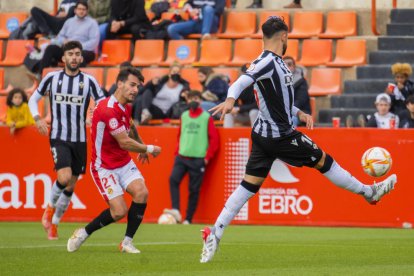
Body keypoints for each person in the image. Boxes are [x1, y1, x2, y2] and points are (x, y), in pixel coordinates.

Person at [199, 16, 398, 263]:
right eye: (288, 36)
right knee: (325, 162)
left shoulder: (278, 64)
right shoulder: (266, 62)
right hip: (281, 136)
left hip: (263, 134)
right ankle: (370, 192)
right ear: (283, 36)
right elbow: (241, 82)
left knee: (248, 186)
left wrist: (299, 112)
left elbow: (278, 99)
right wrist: (230, 99)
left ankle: (215, 233)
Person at [67, 68, 162, 253]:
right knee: (119, 211)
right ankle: (84, 232)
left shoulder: (124, 106)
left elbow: (131, 126)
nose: (135, 90)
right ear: (120, 83)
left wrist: (140, 146)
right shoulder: (107, 110)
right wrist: (149, 149)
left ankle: (126, 242)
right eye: (132, 85)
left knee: (142, 193)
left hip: (123, 162)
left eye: (138, 86)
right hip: (104, 167)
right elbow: (125, 142)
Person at [28, 40, 105, 240]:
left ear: (81, 57)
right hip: (59, 137)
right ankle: (48, 210)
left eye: (77, 54)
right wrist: (37, 118)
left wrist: (94, 114)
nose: (74, 57)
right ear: (63, 58)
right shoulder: (52, 78)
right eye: (70, 54)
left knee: (70, 185)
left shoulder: (89, 81)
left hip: (80, 140)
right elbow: (32, 99)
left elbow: (103, 104)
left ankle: (54, 223)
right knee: (63, 178)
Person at [164, 91, 219, 224]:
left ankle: (188, 219)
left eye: (196, 98)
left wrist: (207, 158)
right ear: (187, 100)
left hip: (198, 159)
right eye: (191, 98)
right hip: (182, 157)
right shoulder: (184, 116)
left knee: (193, 190)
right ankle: (176, 210)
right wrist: (177, 152)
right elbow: (180, 135)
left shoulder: (206, 117)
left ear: (200, 100)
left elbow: (214, 140)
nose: (194, 100)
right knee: (173, 180)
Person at [36, 1, 100, 76]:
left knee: (78, 55)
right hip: (68, 49)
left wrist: (77, 47)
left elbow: (94, 42)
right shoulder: (69, 22)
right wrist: (63, 41)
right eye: (79, 9)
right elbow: (60, 37)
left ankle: (79, 81)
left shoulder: (92, 23)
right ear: (75, 10)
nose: (81, 11)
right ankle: (41, 76)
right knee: (51, 48)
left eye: (84, 9)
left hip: (85, 50)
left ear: (87, 11)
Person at [283, 56, 311, 127]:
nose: (287, 67)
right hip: (283, 110)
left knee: (292, 118)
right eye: (284, 64)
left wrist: (287, 110)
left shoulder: (301, 81)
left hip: (301, 110)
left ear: (294, 67)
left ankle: (290, 137)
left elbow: (300, 101)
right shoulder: (278, 81)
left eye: (289, 64)